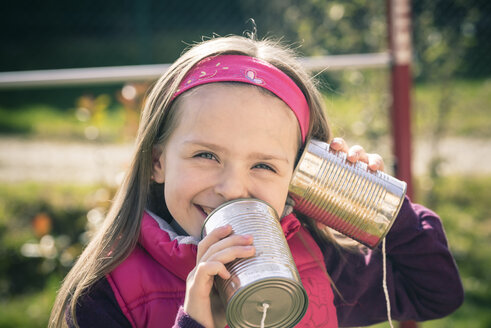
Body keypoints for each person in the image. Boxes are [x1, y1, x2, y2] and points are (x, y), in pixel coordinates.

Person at [49, 35, 463, 328]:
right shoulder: (109, 289)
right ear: (157, 162)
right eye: (206, 155)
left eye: (264, 166)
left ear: (296, 178)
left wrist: (373, 203)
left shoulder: (317, 260)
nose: (231, 187)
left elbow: (435, 292)